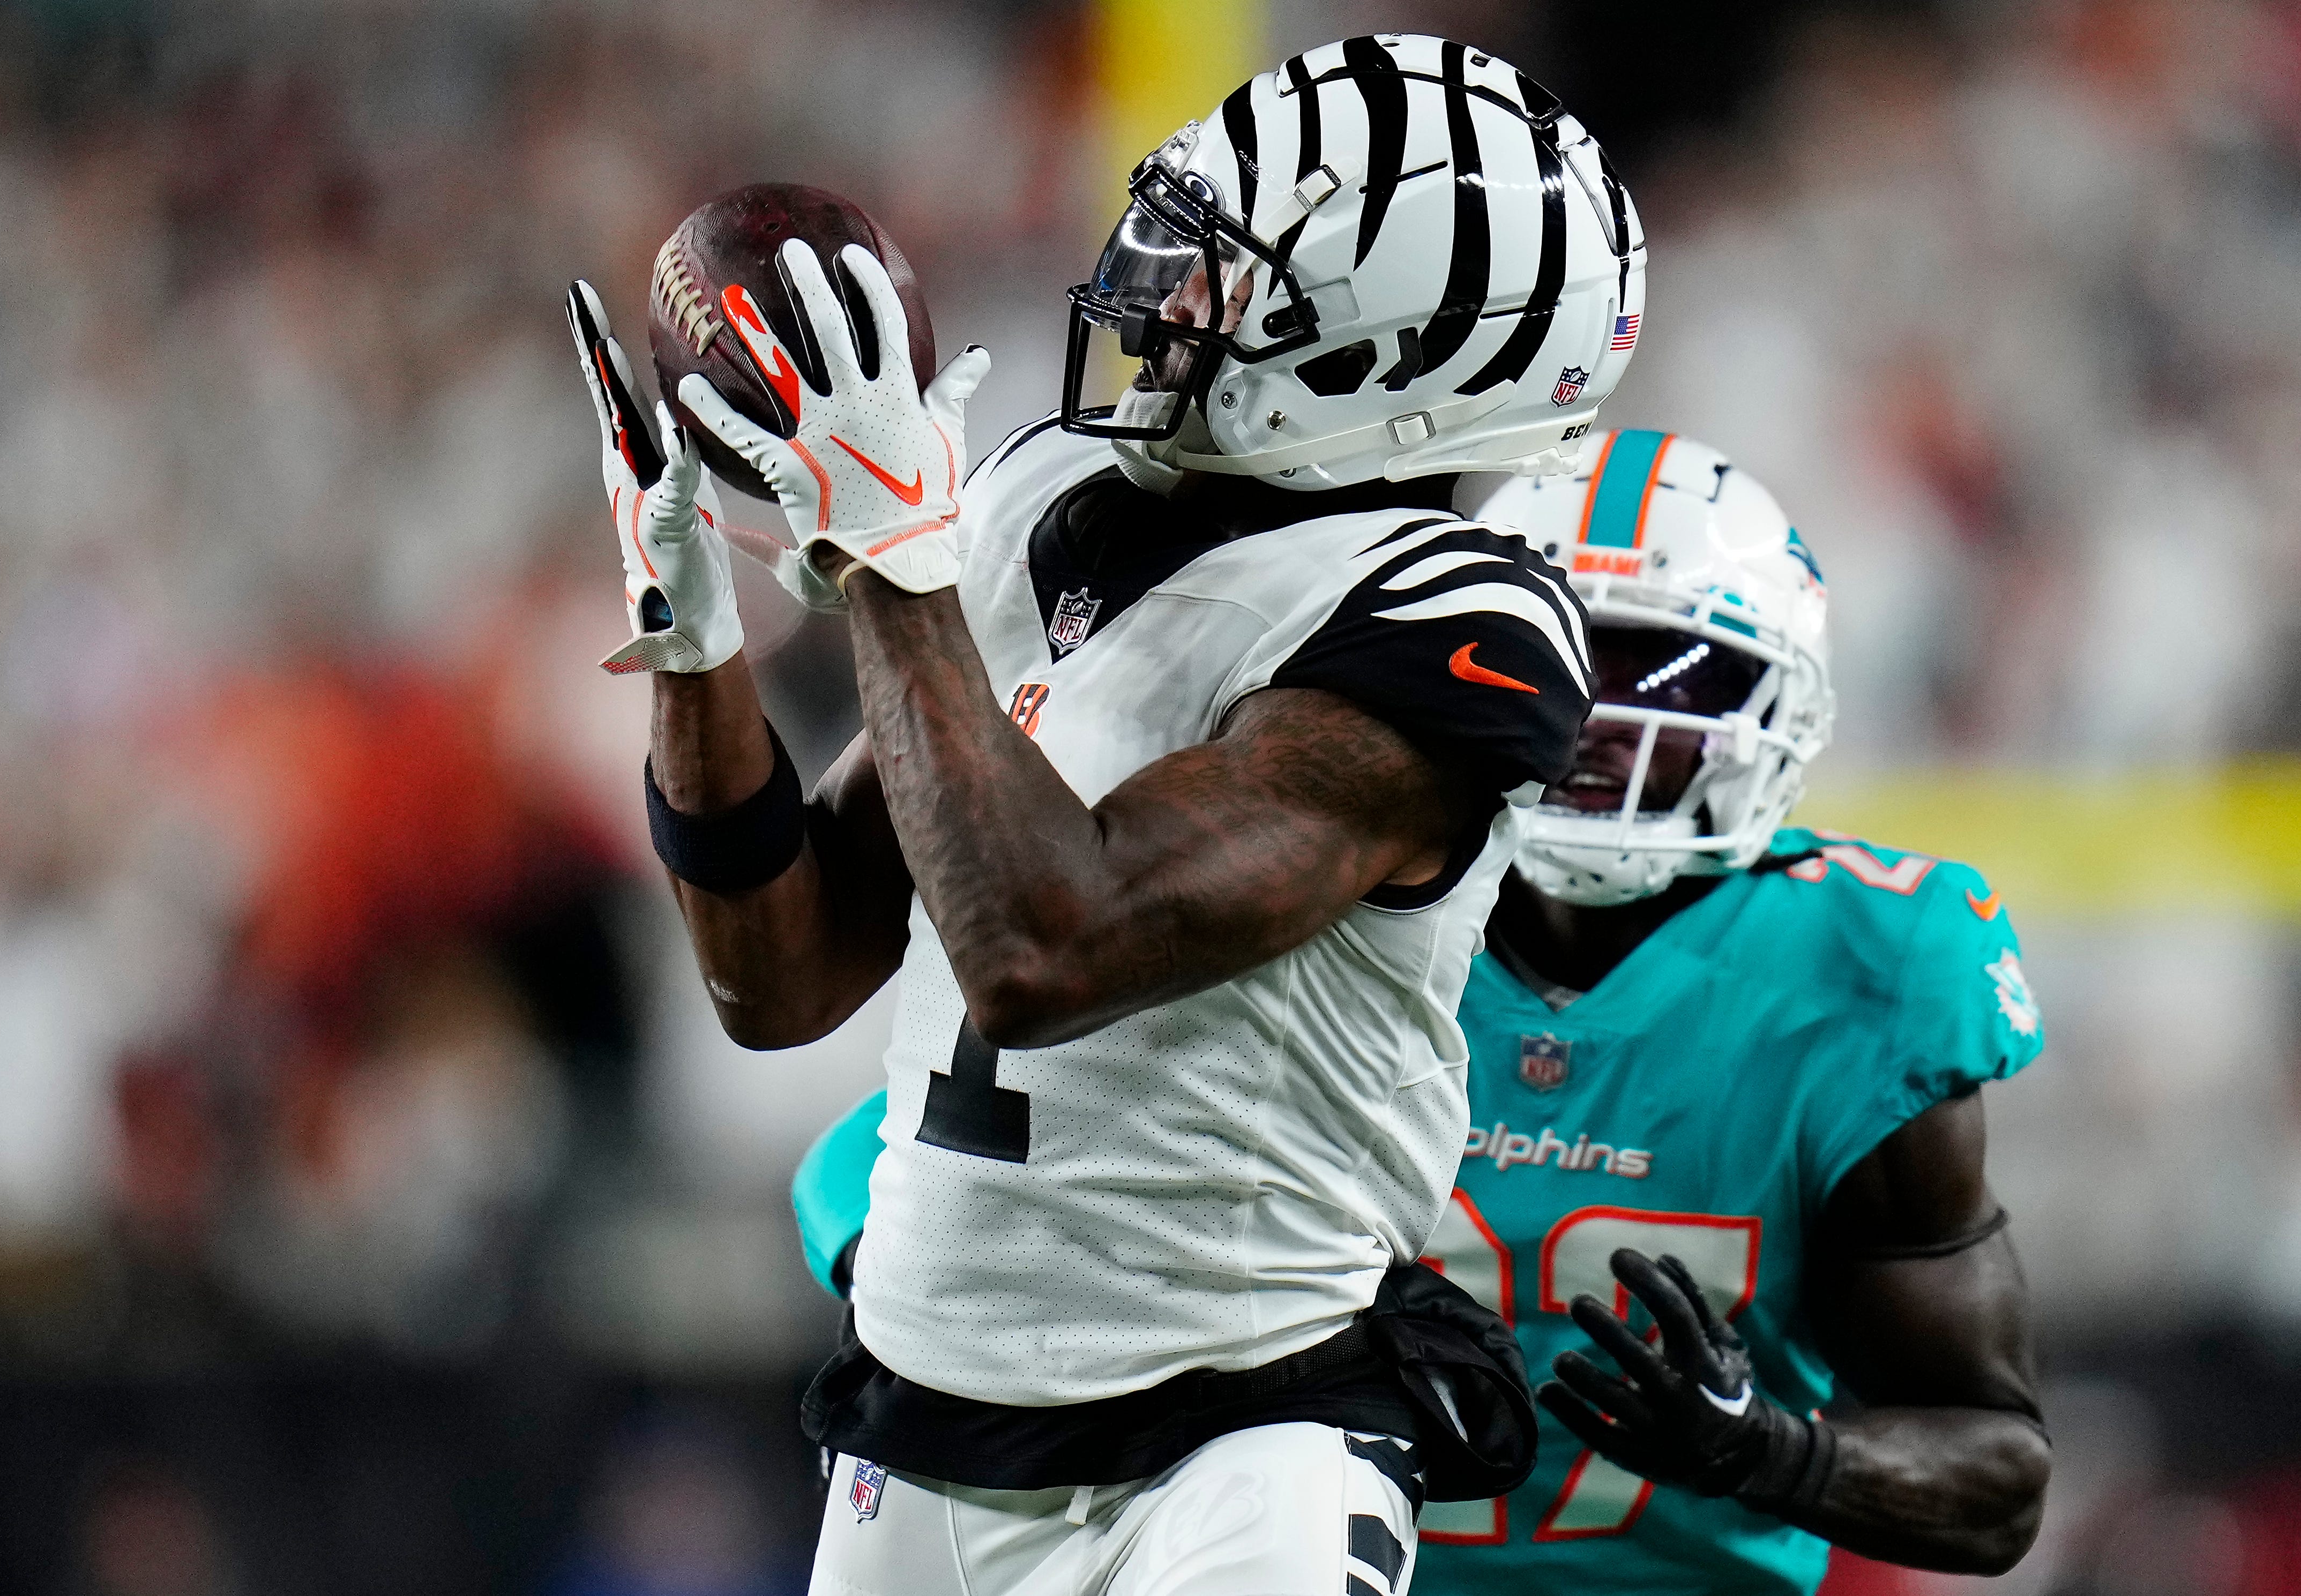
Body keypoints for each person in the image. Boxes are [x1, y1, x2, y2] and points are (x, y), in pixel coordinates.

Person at [570, 32, 1646, 1596]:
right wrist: (692, 638)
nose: (1161, 287)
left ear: (1398, 361)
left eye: (1235, 273)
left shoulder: (1454, 622)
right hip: (922, 1423)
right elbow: (779, 973)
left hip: (1236, 1445)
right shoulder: (1044, 497)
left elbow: (1045, 945)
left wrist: (893, 556)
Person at [793, 430, 2052, 1594]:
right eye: (1583, 663)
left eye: (1671, 673)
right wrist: (1117, 1327)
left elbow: (1997, 1474)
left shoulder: (1860, 972)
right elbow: (895, 1172)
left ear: (1777, 711)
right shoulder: (1312, 892)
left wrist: (1772, 1451)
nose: (1608, 725)